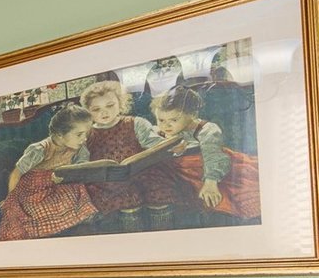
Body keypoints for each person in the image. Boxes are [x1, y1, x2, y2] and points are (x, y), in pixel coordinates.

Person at [79, 79, 178, 231]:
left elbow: (156, 145)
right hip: (109, 183)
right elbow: (82, 162)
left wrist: (172, 145)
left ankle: (163, 236)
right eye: (96, 109)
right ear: (88, 112)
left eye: (110, 106)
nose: (104, 112)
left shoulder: (135, 123)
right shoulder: (87, 134)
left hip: (144, 173)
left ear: (120, 104)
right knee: (126, 200)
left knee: (158, 192)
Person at [151, 86, 261, 222]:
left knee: (227, 197)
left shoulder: (207, 129)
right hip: (181, 172)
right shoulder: (159, 131)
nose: (166, 125)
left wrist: (211, 182)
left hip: (211, 169)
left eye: (174, 120)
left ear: (191, 114)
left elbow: (213, 154)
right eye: (161, 120)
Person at [0, 104, 98, 241]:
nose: (84, 138)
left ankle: (73, 221)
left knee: (77, 191)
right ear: (60, 135)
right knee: (34, 210)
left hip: (59, 184)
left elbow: (81, 167)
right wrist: (10, 199)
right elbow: (16, 173)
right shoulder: (39, 149)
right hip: (33, 190)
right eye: (79, 134)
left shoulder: (79, 148)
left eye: (86, 134)